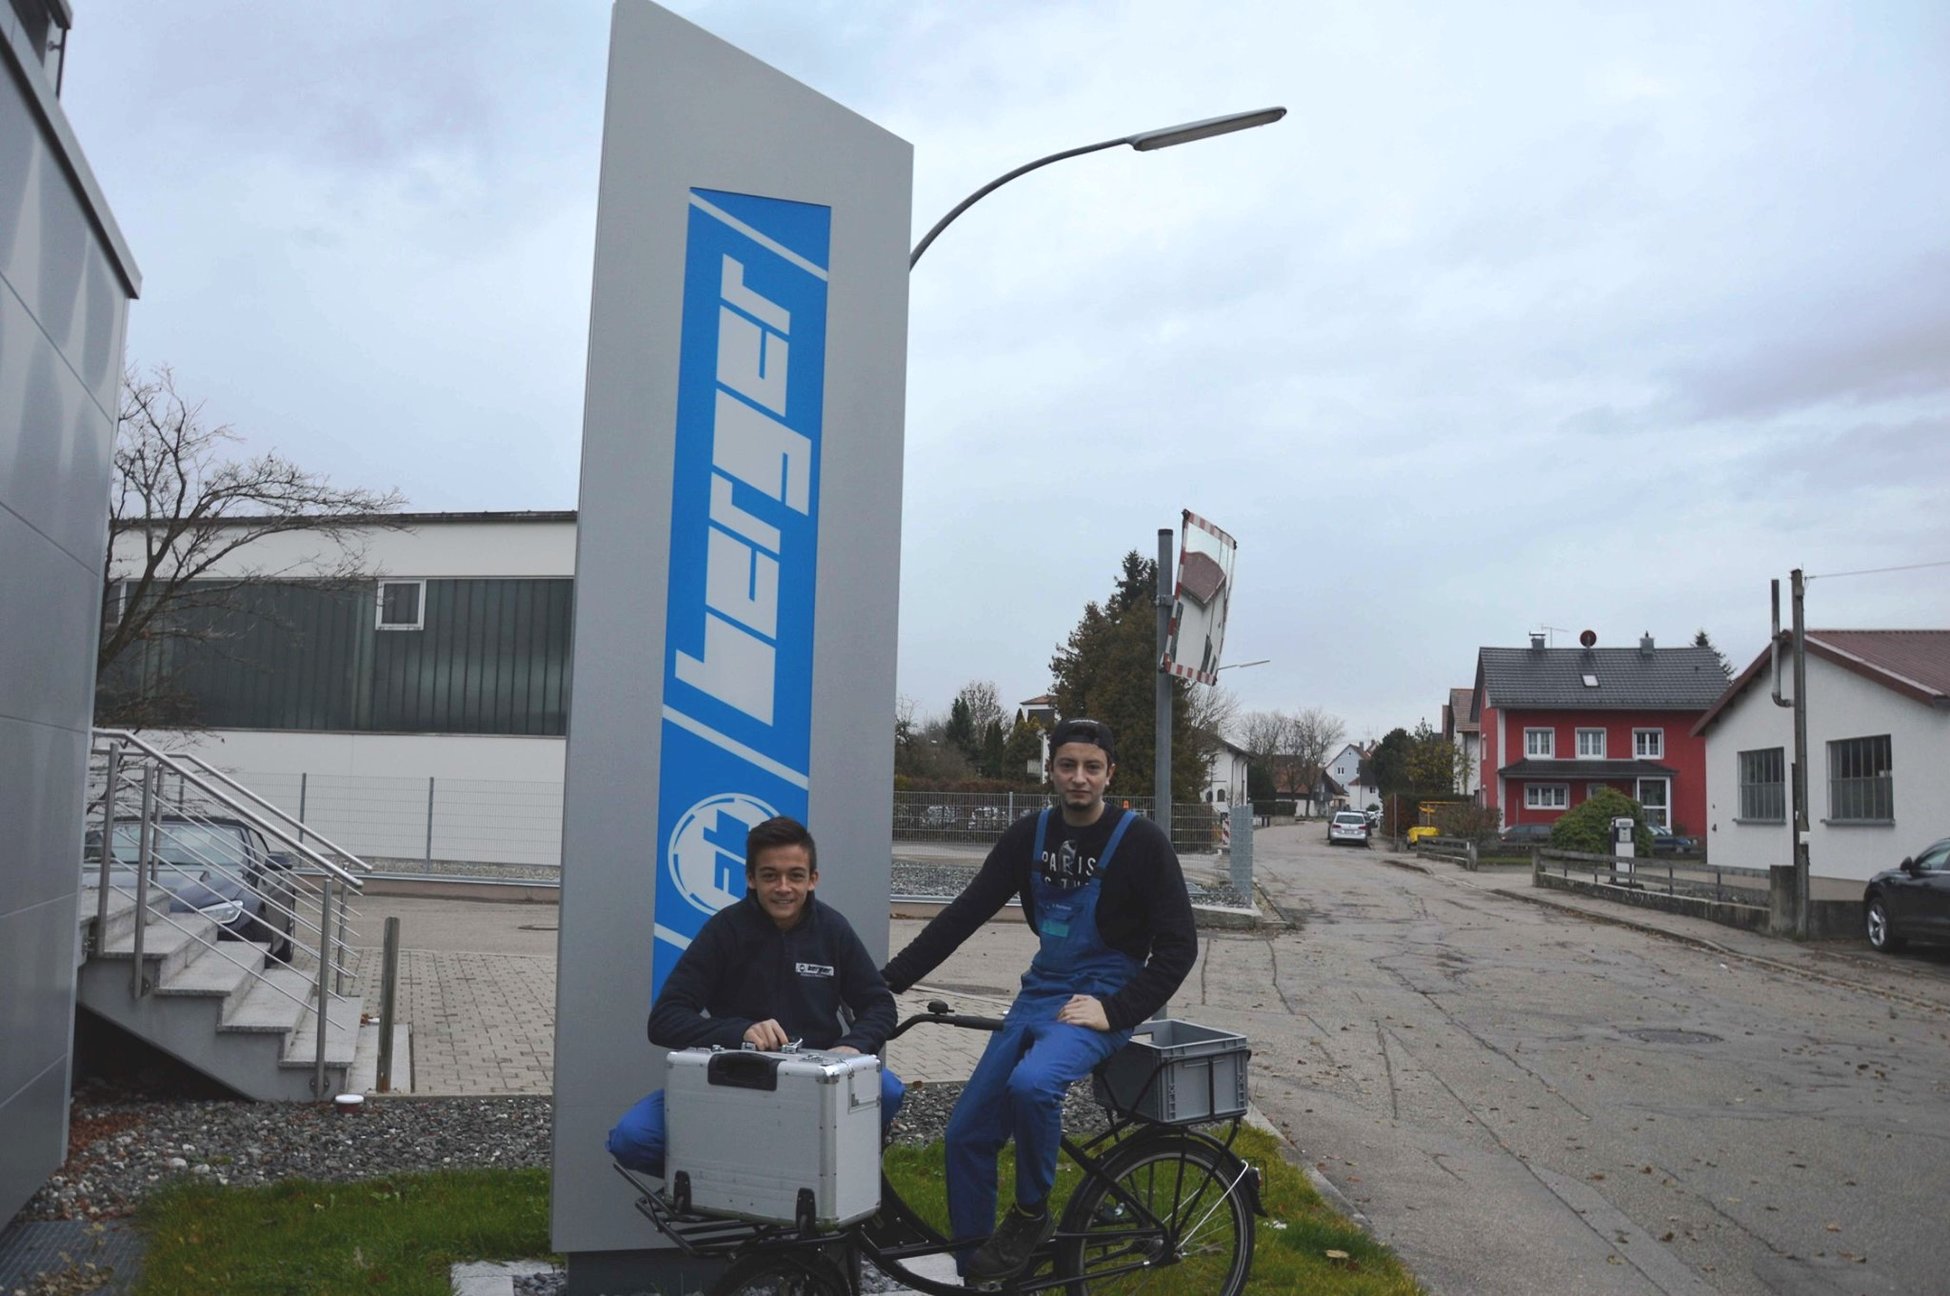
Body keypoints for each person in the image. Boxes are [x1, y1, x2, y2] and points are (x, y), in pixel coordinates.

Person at [881, 718, 1197, 1282]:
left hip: (1102, 996)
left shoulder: (1142, 842)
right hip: (1041, 990)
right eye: (1068, 765)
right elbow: (964, 914)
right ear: (1051, 770)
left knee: (1033, 1085)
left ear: (1110, 774)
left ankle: (1031, 1214)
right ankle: (978, 1273)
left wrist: (1117, 1011)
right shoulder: (1029, 835)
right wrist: (888, 982)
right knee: (966, 1136)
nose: (1080, 778)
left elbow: (1179, 947)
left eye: (1092, 767)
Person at [607, 815, 904, 1175]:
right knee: (632, 1138)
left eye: (795, 875)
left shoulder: (833, 930)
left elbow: (879, 1005)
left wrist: (853, 1045)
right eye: (770, 875)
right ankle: (727, 1182)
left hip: (816, 1084)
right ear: (751, 878)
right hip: (733, 1082)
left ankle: (827, 1176)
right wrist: (740, 1032)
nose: (783, 887)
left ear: (813, 879)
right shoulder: (724, 930)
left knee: (888, 1089)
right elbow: (664, 1020)